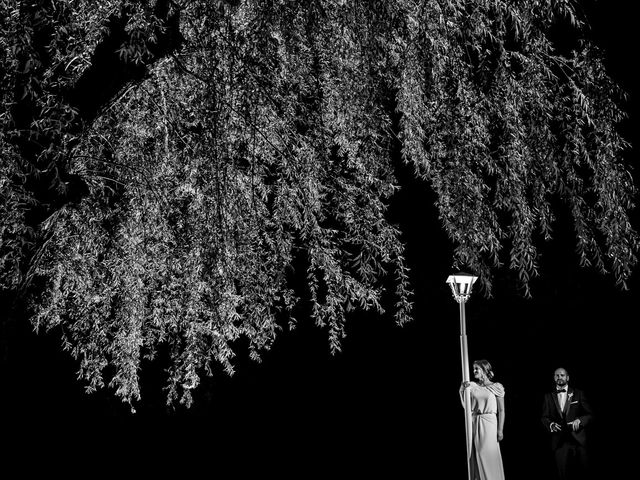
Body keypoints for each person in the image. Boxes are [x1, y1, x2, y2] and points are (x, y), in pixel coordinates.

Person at [541, 367, 593, 480]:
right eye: (557, 375)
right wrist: (551, 424)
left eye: (562, 375)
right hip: (559, 442)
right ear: (554, 378)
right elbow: (544, 417)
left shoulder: (579, 394)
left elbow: (589, 414)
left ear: (567, 377)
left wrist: (580, 420)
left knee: (583, 473)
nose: (559, 377)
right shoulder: (548, 396)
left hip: (578, 440)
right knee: (562, 474)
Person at [460, 359, 506, 480]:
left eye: (477, 369)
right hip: (475, 422)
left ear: (485, 370)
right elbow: (467, 407)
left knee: (486, 453)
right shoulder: (472, 386)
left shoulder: (496, 387)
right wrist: (462, 390)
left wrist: (500, 430)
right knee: (476, 453)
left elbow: (501, 410)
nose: (474, 371)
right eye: (473, 368)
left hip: (490, 423)